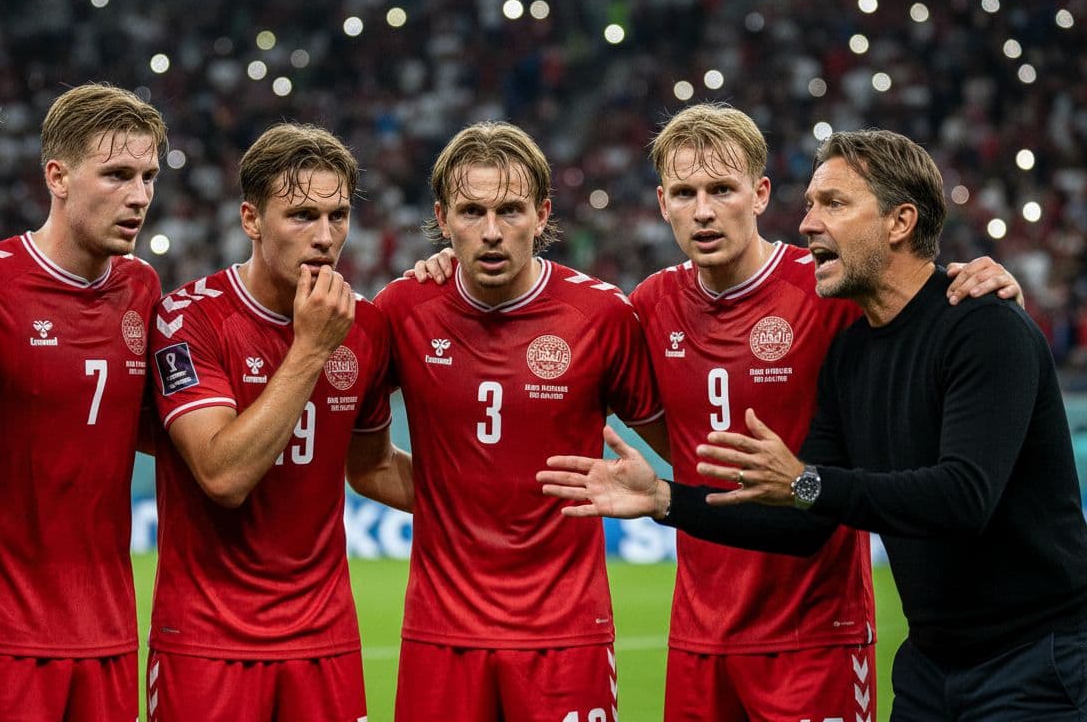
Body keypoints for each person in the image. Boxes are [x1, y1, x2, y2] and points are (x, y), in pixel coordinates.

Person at [419, 104, 1019, 722]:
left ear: (759, 194)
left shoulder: (825, 290)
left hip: (814, 630)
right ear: (661, 203)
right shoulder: (648, 306)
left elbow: (911, 295)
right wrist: (441, 266)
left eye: (722, 190)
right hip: (698, 636)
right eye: (685, 193)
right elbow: (667, 437)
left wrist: (976, 280)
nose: (703, 210)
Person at [542, 128, 1087, 719]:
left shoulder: (977, 323)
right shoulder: (852, 350)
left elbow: (961, 497)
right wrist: (664, 499)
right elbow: (802, 522)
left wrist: (807, 483)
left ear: (900, 221)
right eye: (811, 205)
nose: (805, 225)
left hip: (1033, 656)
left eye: (833, 204)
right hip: (931, 664)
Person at [374, 121, 666, 722]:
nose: (490, 232)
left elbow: (680, 443)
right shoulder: (404, 309)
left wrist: (664, 493)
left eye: (509, 210)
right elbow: (364, 463)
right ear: (441, 217)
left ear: (542, 214)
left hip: (566, 632)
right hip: (440, 631)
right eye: (471, 211)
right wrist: (455, 500)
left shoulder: (603, 316)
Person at [145, 123, 411, 722]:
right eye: (301, 216)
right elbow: (222, 473)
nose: (324, 237)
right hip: (208, 642)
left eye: (337, 215)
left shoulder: (364, 327)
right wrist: (311, 349)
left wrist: (503, 504)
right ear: (251, 219)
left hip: (325, 641)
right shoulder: (190, 319)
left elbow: (371, 467)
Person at [0, 84, 166, 722]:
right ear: (58, 176)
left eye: (149, 176)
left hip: (107, 630)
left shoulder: (142, 286)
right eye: (118, 175)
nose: (139, 196)